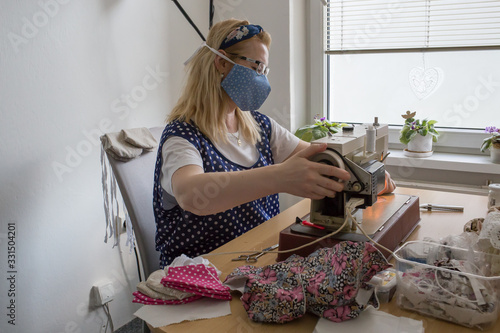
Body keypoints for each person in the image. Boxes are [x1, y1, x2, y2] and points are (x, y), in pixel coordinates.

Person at [153, 19, 351, 267]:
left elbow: (319, 159)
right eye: (257, 67)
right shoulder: (182, 135)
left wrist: (363, 174)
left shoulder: (259, 126)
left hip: (257, 260)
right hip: (201, 276)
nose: (262, 78)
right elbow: (192, 195)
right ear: (222, 62)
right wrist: (279, 177)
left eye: (264, 71)